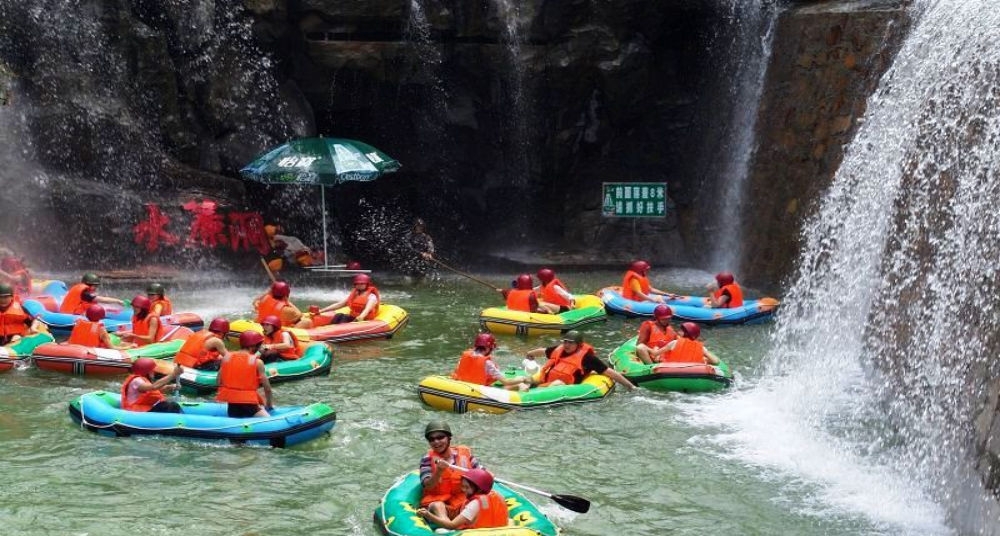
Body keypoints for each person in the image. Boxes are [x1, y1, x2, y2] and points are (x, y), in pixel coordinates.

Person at [524, 330, 636, 390]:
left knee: (557, 383)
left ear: (578, 345)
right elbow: (543, 351)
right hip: (546, 381)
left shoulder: (588, 358)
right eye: (565, 342)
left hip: (562, 385)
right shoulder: (559, 349)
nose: (567, 345)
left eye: (571, 343)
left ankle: (528, 394)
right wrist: (530, 353)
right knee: (525, 380)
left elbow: (609, 371)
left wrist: (630, 386)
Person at [419, 421, 483, 521]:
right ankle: (447, 529)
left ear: (449, 438)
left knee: (483, 500)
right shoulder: (427, 459)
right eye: (431, 439)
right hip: (439, 504)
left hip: (462, 502)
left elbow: (481, 474)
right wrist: (439, 471)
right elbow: (427, 485)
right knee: (438, 505)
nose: (436, 442)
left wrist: (487, 475)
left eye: (440, 437)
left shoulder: (465, 454)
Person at [417, 468, 509, 530]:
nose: (463, 490)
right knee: (437, 505)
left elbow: (451, 525)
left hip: (475, 533)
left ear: (479, 488)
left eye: (467, 487)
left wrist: (429, 515)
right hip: (501, 531)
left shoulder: (474, 504)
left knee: (442, 531)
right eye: (463, 486)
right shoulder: (498, 496)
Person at [216, 331, 274, 418]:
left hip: (232, 405)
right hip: (249, 405)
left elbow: (218, 381)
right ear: (253, 346)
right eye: (259, 345)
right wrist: (269, 405)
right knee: (269, 422)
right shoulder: (258, 362)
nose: (260, 348)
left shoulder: (226, 358)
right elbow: (267, 388)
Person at [451, 333, 530, 391]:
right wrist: (522, 379)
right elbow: (506, 382)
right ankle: (521, 385)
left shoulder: (465, 356)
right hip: (478, 391)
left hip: (462, 387)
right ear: (488, 348)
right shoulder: (488, 363)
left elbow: (457, 371)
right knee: (519, 385)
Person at [301, 274, 379, 327]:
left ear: (367, 284)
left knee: (344, 319)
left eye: (362, 284)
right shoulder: (355, 294)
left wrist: (360, 317)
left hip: (364, 320)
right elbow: (339, 304)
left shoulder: (372, 297)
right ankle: (328, 328)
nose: (359, 285)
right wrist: (321, 311)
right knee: (339, 316)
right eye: (357, 284)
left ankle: (337, 330)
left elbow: (367, 310)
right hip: (353, 317)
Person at [59, 273, 124, 314]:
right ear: (88, 284)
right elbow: (102, 299)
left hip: (68, 312)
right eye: (95, 286)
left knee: (93, 306)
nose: (96, 288)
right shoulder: (84, 293)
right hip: (70, 315)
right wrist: (118, 301)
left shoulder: (80, 289)